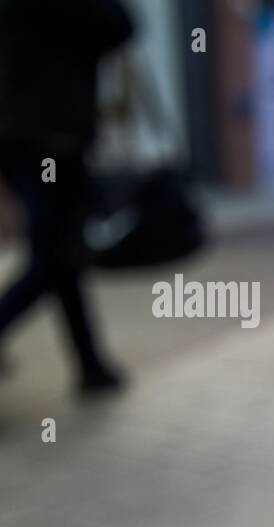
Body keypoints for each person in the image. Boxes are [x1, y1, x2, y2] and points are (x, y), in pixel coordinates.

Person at [0, 0, 134, 395]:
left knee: (63, 255)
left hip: (28, 138)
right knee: (53, 258)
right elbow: (119, 25)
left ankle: (91, 365)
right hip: (51, 142)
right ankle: (90, 365)